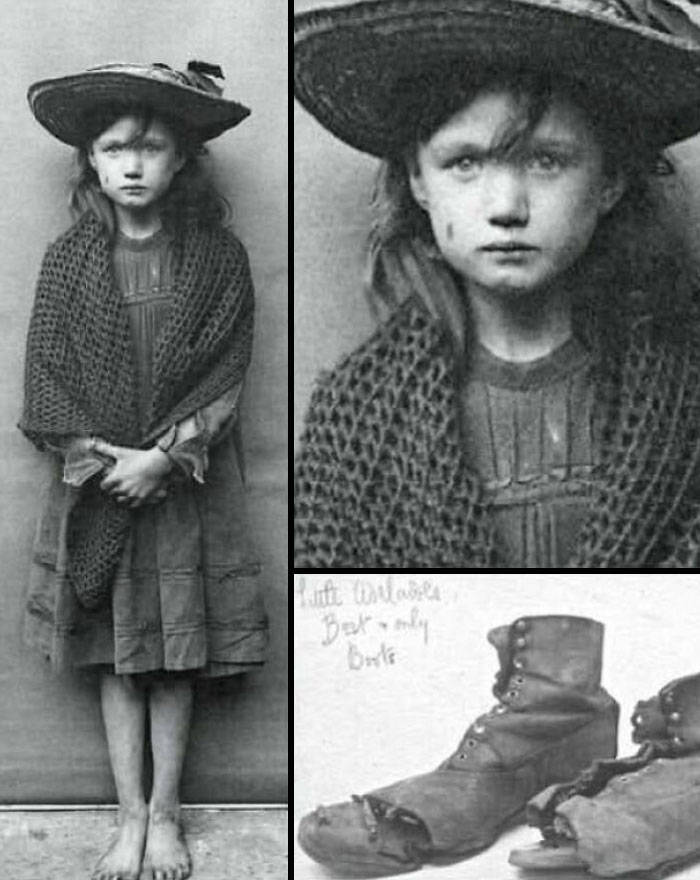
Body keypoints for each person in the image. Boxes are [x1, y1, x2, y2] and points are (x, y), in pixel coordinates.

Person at [294, 0, 700, 569]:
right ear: (417, 180)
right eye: (465, 162)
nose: (507, 206)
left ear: (610, 178)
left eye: (547, 161)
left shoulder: (685, 392)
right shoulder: (354, 415)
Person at [20, 62, 269, 880]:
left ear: (181, 161)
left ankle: (166, 819)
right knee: (119, 656)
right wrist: (102, 462)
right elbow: (46, 379)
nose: (132, 165)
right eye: (114, 147)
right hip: (99, 489)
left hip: (181, 488)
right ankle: (127, 816)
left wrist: (163, 457)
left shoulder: (219, 259)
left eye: (151, 147)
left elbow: (227, 369)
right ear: (90, 161)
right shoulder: (67, 264)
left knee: (171, 657)